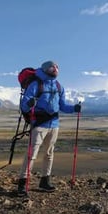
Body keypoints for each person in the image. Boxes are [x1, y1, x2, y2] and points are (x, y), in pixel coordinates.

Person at [17, 60, 82, 197]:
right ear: (46, 69)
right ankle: (23, 183)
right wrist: (29, 103)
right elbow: (24, 106)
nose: (56, 68)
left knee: (49, 153)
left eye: (57, 66)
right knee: (31, 154)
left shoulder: (59, 86)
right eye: (53, 66)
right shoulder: (36, 84)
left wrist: (74, 108)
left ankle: (45, 181)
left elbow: (62, 106)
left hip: (54, 124)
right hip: (39, 125)